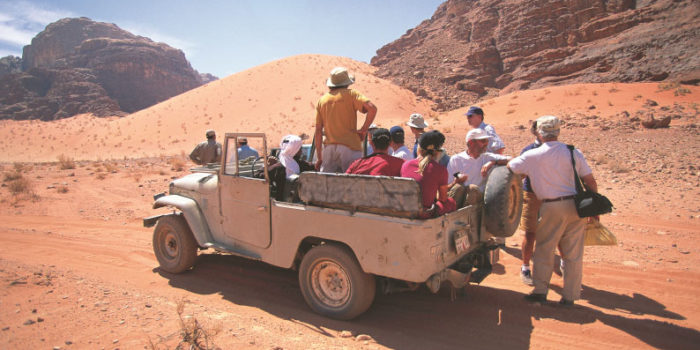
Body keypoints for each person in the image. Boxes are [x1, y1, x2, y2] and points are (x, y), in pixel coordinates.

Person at [507, 115, 599, 306]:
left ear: (539, 133)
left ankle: (540, 292)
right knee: (573, 253)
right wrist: (594, 208)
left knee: (545, 248)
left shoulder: (533, 155)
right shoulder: (573, 152)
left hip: (551, 206)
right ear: (557, 132)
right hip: (576, 207)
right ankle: (570, 296)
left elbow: (512, 167)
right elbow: (590, 181)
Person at [314, 67, 377, 172]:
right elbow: (372, 109)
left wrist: (320, 157)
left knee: (328, 185)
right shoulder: (352, 94)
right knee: (352, 183)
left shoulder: (322, 100)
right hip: (350, 147)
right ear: (347, 82)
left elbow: (318, 131)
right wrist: (364, 129)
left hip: (329, 149)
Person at [400, 130, 467, 219]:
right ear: (437, 152)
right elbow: (442, 199)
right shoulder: (440, 169)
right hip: (425, 214)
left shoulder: (405, 165)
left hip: (406, 211)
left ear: (419, 148)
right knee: (450, 202)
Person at [446, 128, 511, 208]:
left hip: (477, 199)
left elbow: (513, 160)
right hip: (459, 198)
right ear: (471, 143)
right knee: (459, 188)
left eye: (487, 141)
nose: (486, 144)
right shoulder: (456, 159)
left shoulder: (487, 157)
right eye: (483, 141)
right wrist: (455, 182)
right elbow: (446, 187)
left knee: (472, 189)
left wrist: (493, 162)